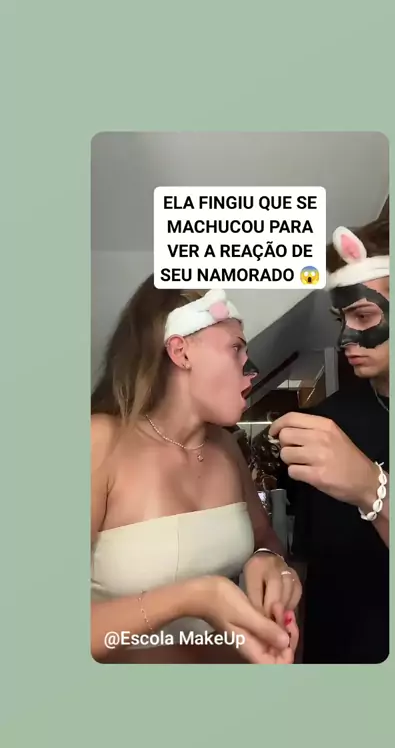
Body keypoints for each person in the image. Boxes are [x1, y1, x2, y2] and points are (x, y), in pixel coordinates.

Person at [91, 280, 302, 664]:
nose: (252, 369)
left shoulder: (226, 448)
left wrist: (269, 563)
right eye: (236, 349)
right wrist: (195, 597)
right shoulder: (98, 443)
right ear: (180, 351)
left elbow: (266, 541)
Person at [269, 218, 389, 663]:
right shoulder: (325, 422)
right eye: (342, 320)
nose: (345, 338)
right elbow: (314, 564)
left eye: (364, 316)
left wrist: (372, 488)